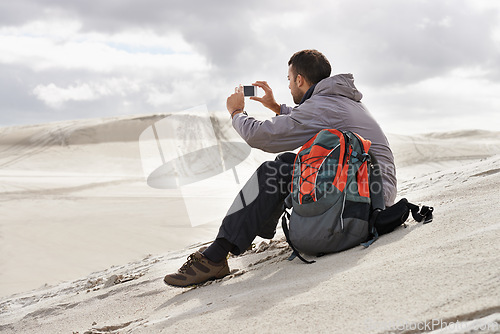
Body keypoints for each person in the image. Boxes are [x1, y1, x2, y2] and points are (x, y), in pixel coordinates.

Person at [163, 49, 397, 287]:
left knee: (272, 172)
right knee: (288, 163)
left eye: (288, 79)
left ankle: (217, 255)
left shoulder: (323, 107)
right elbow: (304, 117)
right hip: (370, 192)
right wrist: (275, 106)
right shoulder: (339, 100)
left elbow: (262, 136)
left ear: (299, 79)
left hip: (364, 202)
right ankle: (243, 233)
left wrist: (236, 113)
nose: (288, 86)